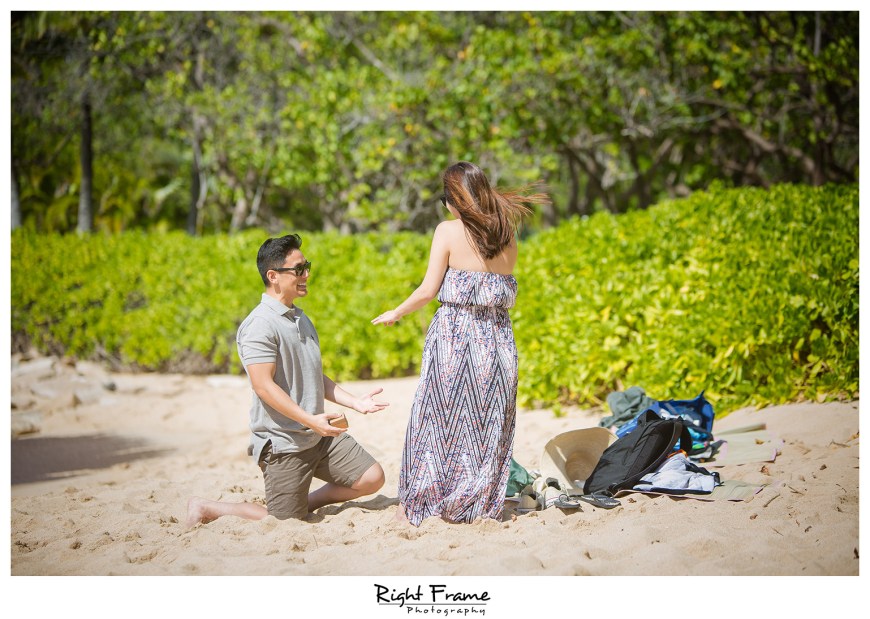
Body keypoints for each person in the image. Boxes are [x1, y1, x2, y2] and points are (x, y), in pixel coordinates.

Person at [372, 161, 549, 526]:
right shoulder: (507, 233)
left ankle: (432, 500)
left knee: (438, 421)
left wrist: (396, 312)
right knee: (487, 426)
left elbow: (427, 290)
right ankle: (476, 502)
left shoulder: (448, 231)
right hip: (498, 342)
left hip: (455, 340)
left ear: (455, 199)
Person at [187, 234, 388, 527]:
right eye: (298, 269)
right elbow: (263, 386)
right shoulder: (259, 325)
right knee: (281, 521)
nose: (306, 274)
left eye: (307, 266)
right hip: (283, 442)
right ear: (273, 276)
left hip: (317, 436)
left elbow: (313, 375)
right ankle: (207, 507)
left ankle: (301, 503)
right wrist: (310, 419)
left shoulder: (300, 318)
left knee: (372, 477)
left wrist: (355, 402)